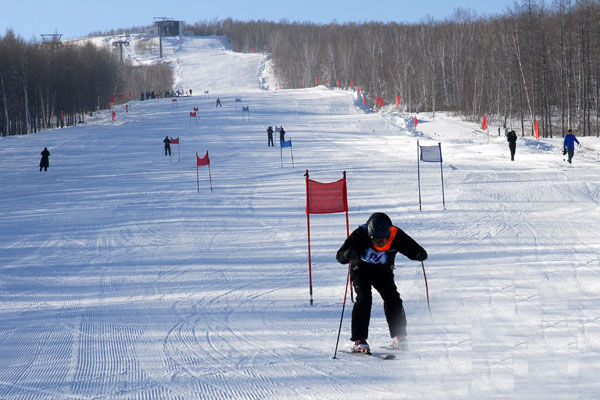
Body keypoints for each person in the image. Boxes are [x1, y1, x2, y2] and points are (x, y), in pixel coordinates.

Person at [336, 212, 427, 354]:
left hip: (383, 273)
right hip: (361, 272)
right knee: (364, 299)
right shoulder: (360, 234)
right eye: (376, 241)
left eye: (383, 240)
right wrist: (348, 254)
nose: (380, 243)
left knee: (393, 298)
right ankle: (359, 340)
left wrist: (418, 254)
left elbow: (413, 249)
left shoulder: (395, 234)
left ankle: (399, 336)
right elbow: (340, 256)